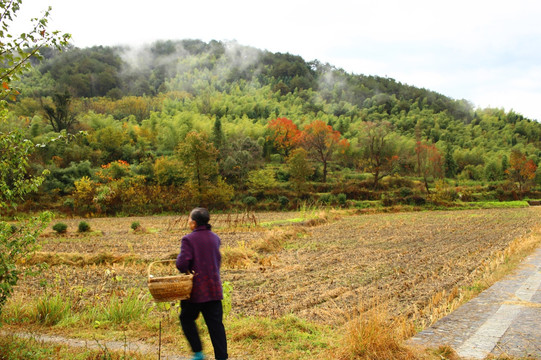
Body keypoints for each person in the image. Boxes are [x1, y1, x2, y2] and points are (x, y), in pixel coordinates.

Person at [176, 207, 228, 360]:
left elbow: (182, 264)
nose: (188, 222)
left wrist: (186, 269)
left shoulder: (188, 239)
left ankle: (198, 353)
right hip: (214, 289)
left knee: (186, 318)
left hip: (196, 291)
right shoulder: (215, 238)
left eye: (189, 219)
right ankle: (222, 357)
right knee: (216, 326)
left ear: (194, 223)